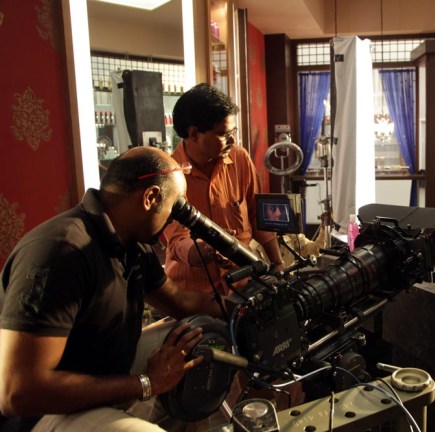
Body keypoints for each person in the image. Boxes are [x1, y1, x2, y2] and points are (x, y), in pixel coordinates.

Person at [0, 147, 226, 430]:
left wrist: (243, 305)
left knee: (198, 334)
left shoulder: (134, 241)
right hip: (38, 414)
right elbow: (19, 392)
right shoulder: (61, 251)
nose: (175, 218)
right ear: (150, 197)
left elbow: (180, 302)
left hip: (101, 370)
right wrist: (147, 383)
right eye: (175, 206)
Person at [163, 84, 284, 296]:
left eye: (233, 132)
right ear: (194, 133)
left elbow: (257, 215)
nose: (232, 140)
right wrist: (208, 247)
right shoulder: (170, 175)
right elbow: (178, 242)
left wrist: (278, 264)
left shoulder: (239, 159)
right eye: (223, 134)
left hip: (243, 286)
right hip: (194, 296)